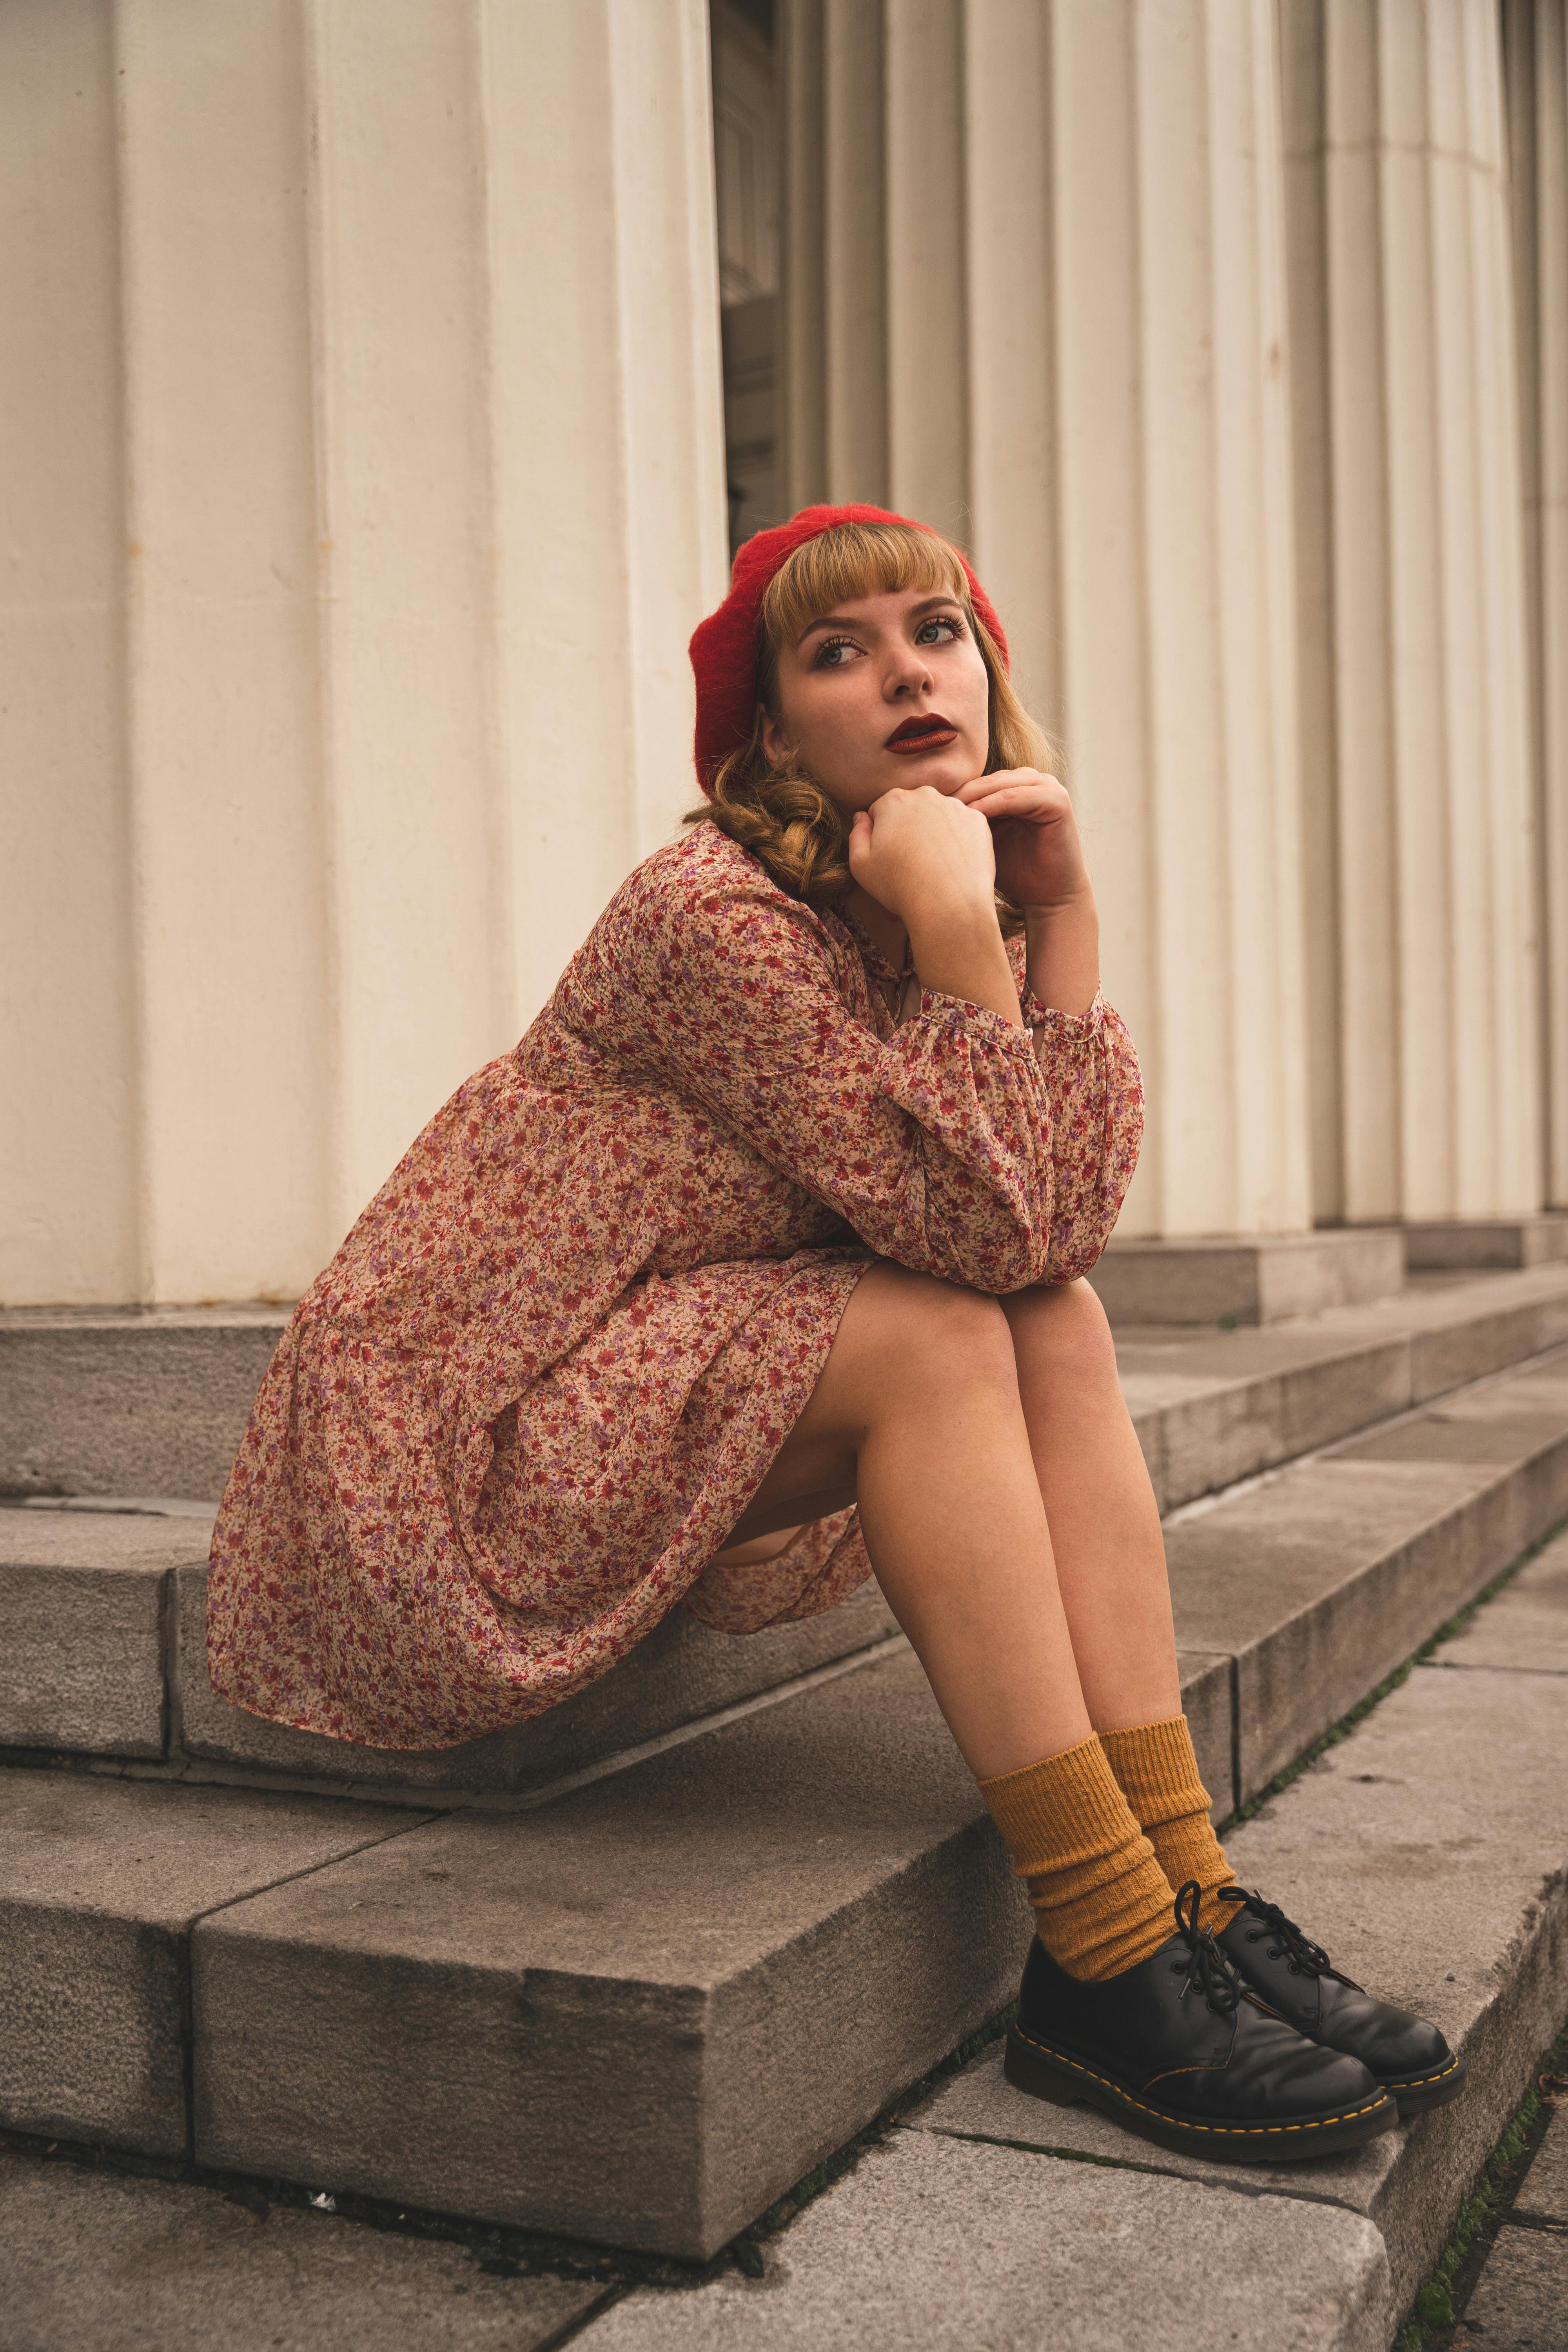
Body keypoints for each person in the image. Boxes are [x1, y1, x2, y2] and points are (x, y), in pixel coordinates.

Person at [209, 503, 1463, 2164]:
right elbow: (988, 1232)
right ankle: (1101, 1948)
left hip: (639, 1378)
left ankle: (1187, 1890)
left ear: (986, 670)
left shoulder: (920, 897)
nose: (902, 672)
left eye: (933, 631)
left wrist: (1058, 908)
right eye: (836, 652)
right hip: (448, 1453)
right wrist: (972, 939)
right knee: (949, 1334)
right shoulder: (713, 914)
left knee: (1056, 1323)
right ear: (771, 735)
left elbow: (1054, 1242)